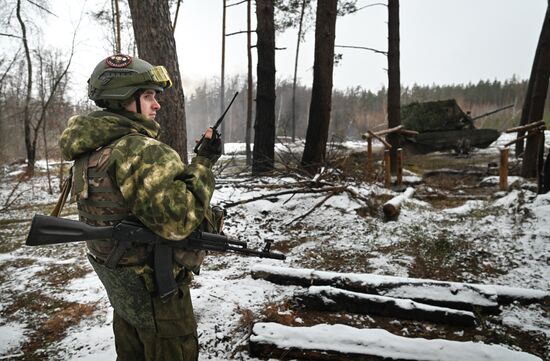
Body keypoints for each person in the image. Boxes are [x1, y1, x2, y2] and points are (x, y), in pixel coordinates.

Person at [58, 54, 222, 361]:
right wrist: (203, 164)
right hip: (159, 297)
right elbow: (179, 222)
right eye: (148, 96)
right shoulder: (139, 150)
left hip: (124, 294)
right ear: (123, 99)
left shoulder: (91, 151)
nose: (157, 105)